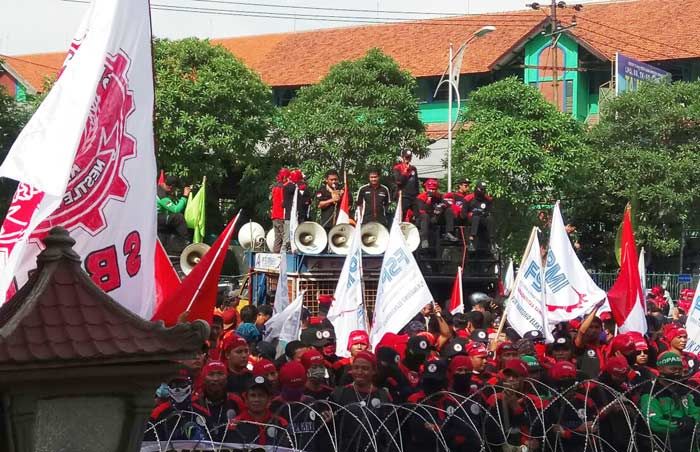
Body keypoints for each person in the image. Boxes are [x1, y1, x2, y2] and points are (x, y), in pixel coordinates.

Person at [639, 352, 700, 451]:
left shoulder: (684, 389)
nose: (677, 373)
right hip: (666, 444)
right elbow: (655, 422)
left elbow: (696, 411)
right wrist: (680, 425)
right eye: (673, 369)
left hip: (691, 442)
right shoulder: (651, 391)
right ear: (661, 369)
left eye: (679, 369)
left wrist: (692, 421)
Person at [416, 178, 459, 249]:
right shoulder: (421, 197)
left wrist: (441, 206)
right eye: (430, 189)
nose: (432, 191)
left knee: (448, 210)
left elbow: (448, 204)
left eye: (434, 189)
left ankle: (449, 233)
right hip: (424, 219)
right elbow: (420, 211)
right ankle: (424, 239)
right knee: (425, 216)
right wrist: (428, 201)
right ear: (426, 189)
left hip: (435, 217)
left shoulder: (439, 196)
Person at [156, 175, 191, 250]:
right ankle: (186, 243)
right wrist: (185, 196)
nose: (174, 191)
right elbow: (176, 209)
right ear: (171, 187)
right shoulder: (162, 195)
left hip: (160, 217)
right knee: (178, 217)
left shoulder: (160, 189)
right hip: (156, 218)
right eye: (175, 189)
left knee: (173, 223)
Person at [463, 181, 494, 252]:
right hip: (470, 220)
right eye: (481, 189)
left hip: (482, 219)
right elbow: (463, 214)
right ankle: (471, 241)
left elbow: (489, 211)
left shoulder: (487, 199)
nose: (482, 191)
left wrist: (483, 213)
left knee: (490, 218)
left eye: (484, 189)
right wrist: (472, 214)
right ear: (477, 188)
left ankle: (492, 242)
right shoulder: (469, 198)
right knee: (476, 217)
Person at [393, 149, 420, 222]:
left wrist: (418, 194)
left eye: (409, 157)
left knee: (418, 215)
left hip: (413, 196)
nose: (408, 159)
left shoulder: (413, 168)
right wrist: (405, 171)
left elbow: (416, 183)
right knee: (401, 215)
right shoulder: (398, 168)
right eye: (406, 157)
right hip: (403, 195)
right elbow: (399, 181)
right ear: (403, 157)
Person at [270, 168, 290, 252]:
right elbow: (283, 203)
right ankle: (283, 257)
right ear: (285, 177)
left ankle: (275, 254)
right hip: (281, 216)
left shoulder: (274, 188)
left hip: (274, 216)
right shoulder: (283, 188)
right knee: (284, 237)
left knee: (277, 238)